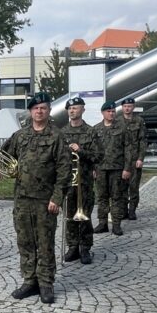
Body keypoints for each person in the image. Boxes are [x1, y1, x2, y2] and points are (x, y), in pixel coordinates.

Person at [0, 92, 71, 303]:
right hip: (22, 199)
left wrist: (57, 197)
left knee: (45, 242)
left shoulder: (57, 136)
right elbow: (4, 156)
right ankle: (30, 280)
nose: (39, 111)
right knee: (25, 241)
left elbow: (65, 170)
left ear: (49, 110)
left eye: (43, 108)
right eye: (36, 108)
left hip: (45, 200)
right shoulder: (20, 135)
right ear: (30, 111)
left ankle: (46, 283)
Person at [62, 97, 103, 264]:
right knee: (70, 215)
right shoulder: (62, 132)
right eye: (70, 108)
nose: (72, 111)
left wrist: (81, 151)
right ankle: (72, 247)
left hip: (84, 182)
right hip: (67, 181)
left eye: (76, 108)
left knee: (84, 215)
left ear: (83, 110)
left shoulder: (91, 132)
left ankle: (85, 247)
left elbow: (98, 155)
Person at [93, 101, 133, 236]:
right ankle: (102, 223)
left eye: (113, 111)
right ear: (103, 113)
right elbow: (93, 151)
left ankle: (116, 224)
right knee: (102, 197)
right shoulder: (96, 129)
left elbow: (128, 149)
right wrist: (93, 168)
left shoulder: (122, 128)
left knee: (117, 197)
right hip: (100, 169)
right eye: (108, 111)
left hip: (117, 168)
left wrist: (127, 168)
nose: (111, 113)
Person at [116, 98, 146, 221]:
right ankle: (123, 210)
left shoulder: (139, 121)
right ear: (122, 108)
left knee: (133, 186)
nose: (127, 108)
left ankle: (132, 210)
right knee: (121, 186)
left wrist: (140, 158)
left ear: (133, 107)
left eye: (129, 106)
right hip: (121, 159)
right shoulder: (117, 121)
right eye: (125, 106)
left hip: (134, 159)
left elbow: (143, 141)